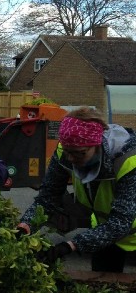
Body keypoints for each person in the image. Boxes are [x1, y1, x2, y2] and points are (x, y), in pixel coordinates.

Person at [17, 107, 136, 272]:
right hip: (105, 234)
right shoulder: (65, 153)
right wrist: (26, 225)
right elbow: (48, 197)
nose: (71, 159)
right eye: (68, 151)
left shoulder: (128, 161)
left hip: (125, 228)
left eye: (80, 153)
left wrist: (71, 245)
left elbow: (121, 222)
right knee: (103, 282)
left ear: (97, 145)